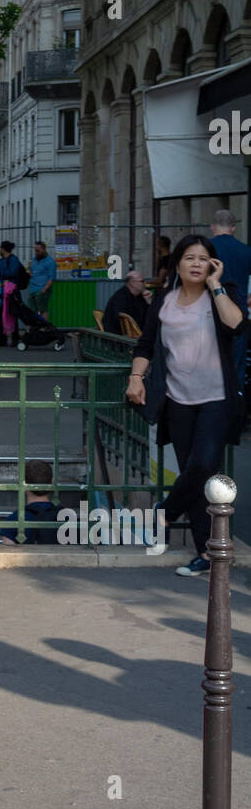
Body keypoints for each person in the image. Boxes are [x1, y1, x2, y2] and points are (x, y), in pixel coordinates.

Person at [126, 235, 246, 578]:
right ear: (177, 263)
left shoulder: (223, 294)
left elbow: (237, 325)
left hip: (216, 399)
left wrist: (217, 286)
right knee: (195, 476)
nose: (196, 263)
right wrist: (136, 377)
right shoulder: (164, 300)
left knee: (203, 464)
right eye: (189, 257)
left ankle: (165, 511)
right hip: (176, 400)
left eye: (203, 258)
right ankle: (207, 554)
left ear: (213, 264)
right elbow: (145, 344)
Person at [210, 209, 251, 389]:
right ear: (234, 227)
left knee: (211, 362)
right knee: (237, 364)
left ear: (212, 227)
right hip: (239, 313)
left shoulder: (207, 250)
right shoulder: (246, 251)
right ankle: (237, 405)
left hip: (211, 311)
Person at [0, 460, 61, 544]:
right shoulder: (66, 517)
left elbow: (8, 554)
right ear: (52, 482)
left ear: (23, 484)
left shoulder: (14, 520)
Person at [0, 241, 24, 347]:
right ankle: (4, 338)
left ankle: (13, 338)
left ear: (3, 249)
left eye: (0, 248)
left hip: (10, 291)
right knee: (2, 315)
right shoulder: (4, 260)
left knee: (12, 314)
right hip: (1, 292)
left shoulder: (12, 260)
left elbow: (12, 273)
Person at [103, 269, 152, 335]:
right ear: (132, 283)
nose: (145, 283)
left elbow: (148, 318)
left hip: (133, 334)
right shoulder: (121, 298)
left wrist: (149, 302)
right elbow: (123, 321)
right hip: (119, 338)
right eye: (142, 281)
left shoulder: (140, 296)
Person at [28, 241, 57, 317]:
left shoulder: (50, 262)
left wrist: (44, 290)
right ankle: (34, 327)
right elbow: (31, 271)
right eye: (35, 251)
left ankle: (44, 328)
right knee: (31, 310)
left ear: (44, 249)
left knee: (42, 310)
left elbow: (52, 278)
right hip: (32, 289)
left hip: (42, 289)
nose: (36, 253)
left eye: (38, 251)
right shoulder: (34, 260)